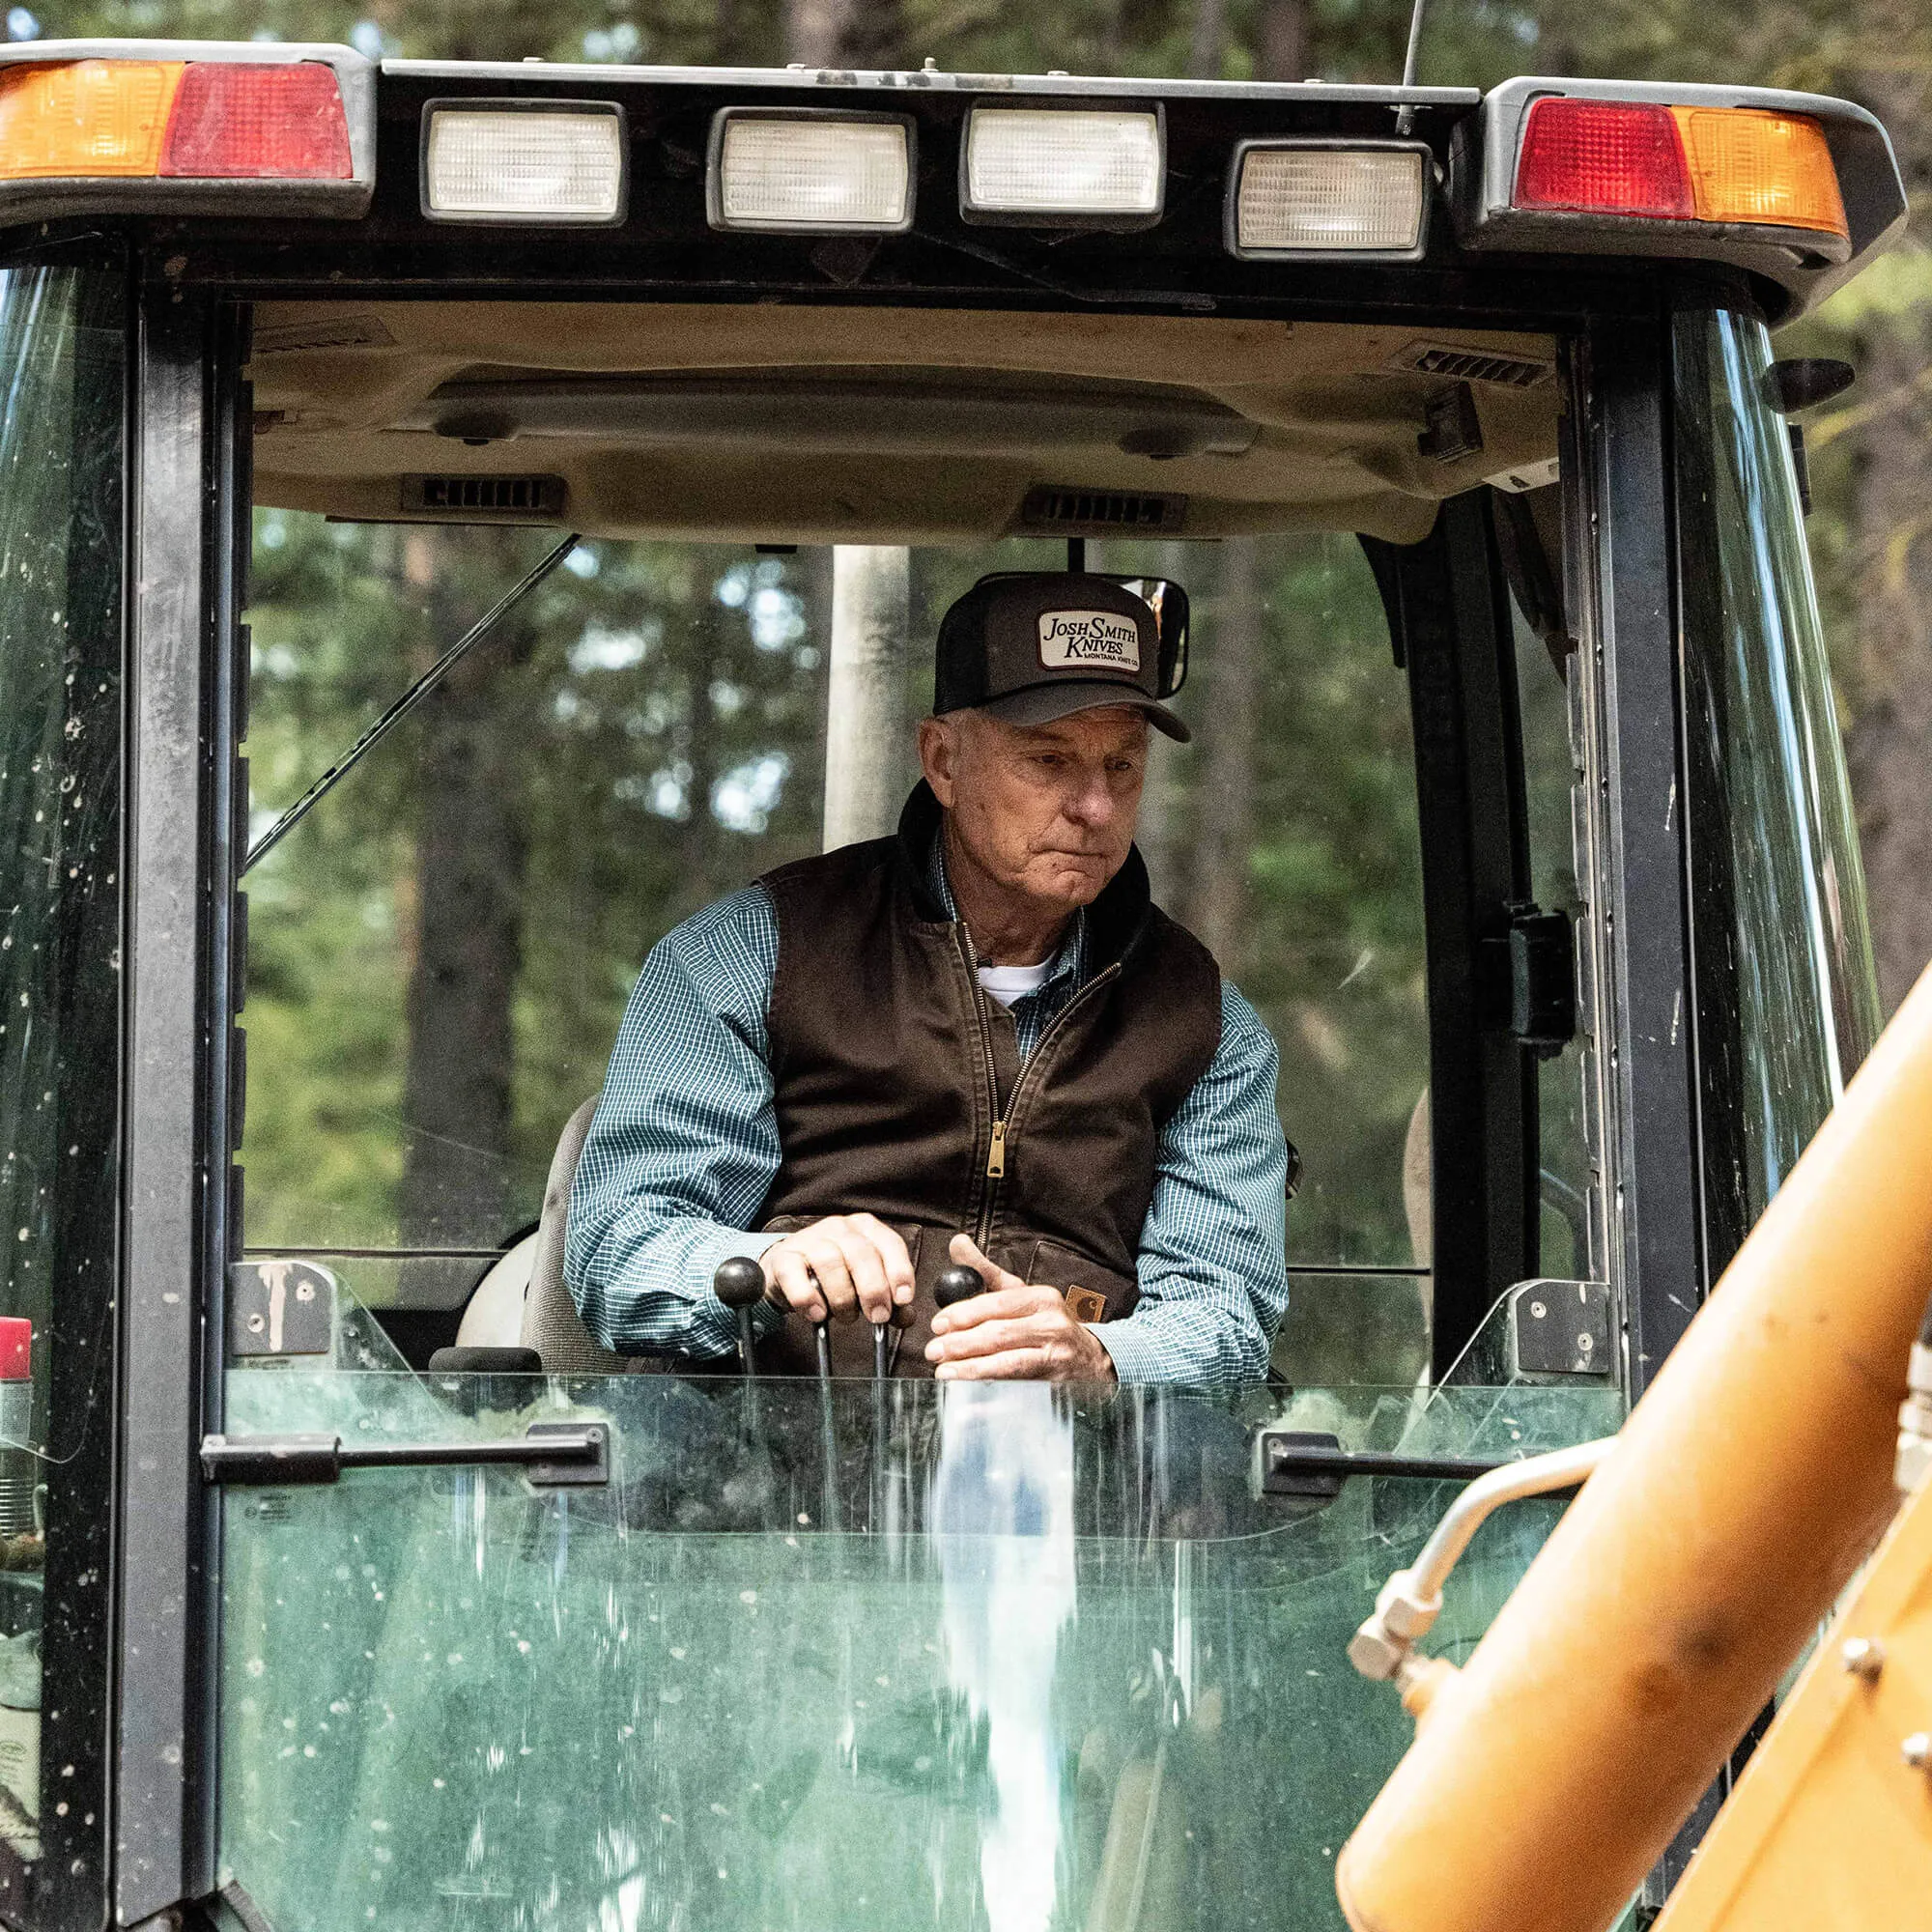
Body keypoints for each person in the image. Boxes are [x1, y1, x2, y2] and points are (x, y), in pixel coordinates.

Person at [564, 572, 1292, 1386]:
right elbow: (616, 1245)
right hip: (756, 1481)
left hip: (1077, 1493)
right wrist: (768, 1263)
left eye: (1122, 766)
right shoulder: (749, 954)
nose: (1094, 806)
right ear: (943, 761)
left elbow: (1227, 1312)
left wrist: (1102, 1359)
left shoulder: (1205, 1022)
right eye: (1049, 760)